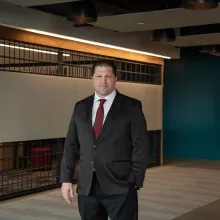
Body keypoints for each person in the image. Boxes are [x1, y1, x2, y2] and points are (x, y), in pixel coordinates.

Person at [60, 59, 149, 220]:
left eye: (108, 76)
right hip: (87, 187)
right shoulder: (80, 107)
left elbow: (140, 145)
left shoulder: (132, 107)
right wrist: (66, 179)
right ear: (92, 79)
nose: (103, 81)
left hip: (120, 185)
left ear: (116, 78)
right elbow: (71, 145)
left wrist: (135, 179)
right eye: (98, 76)